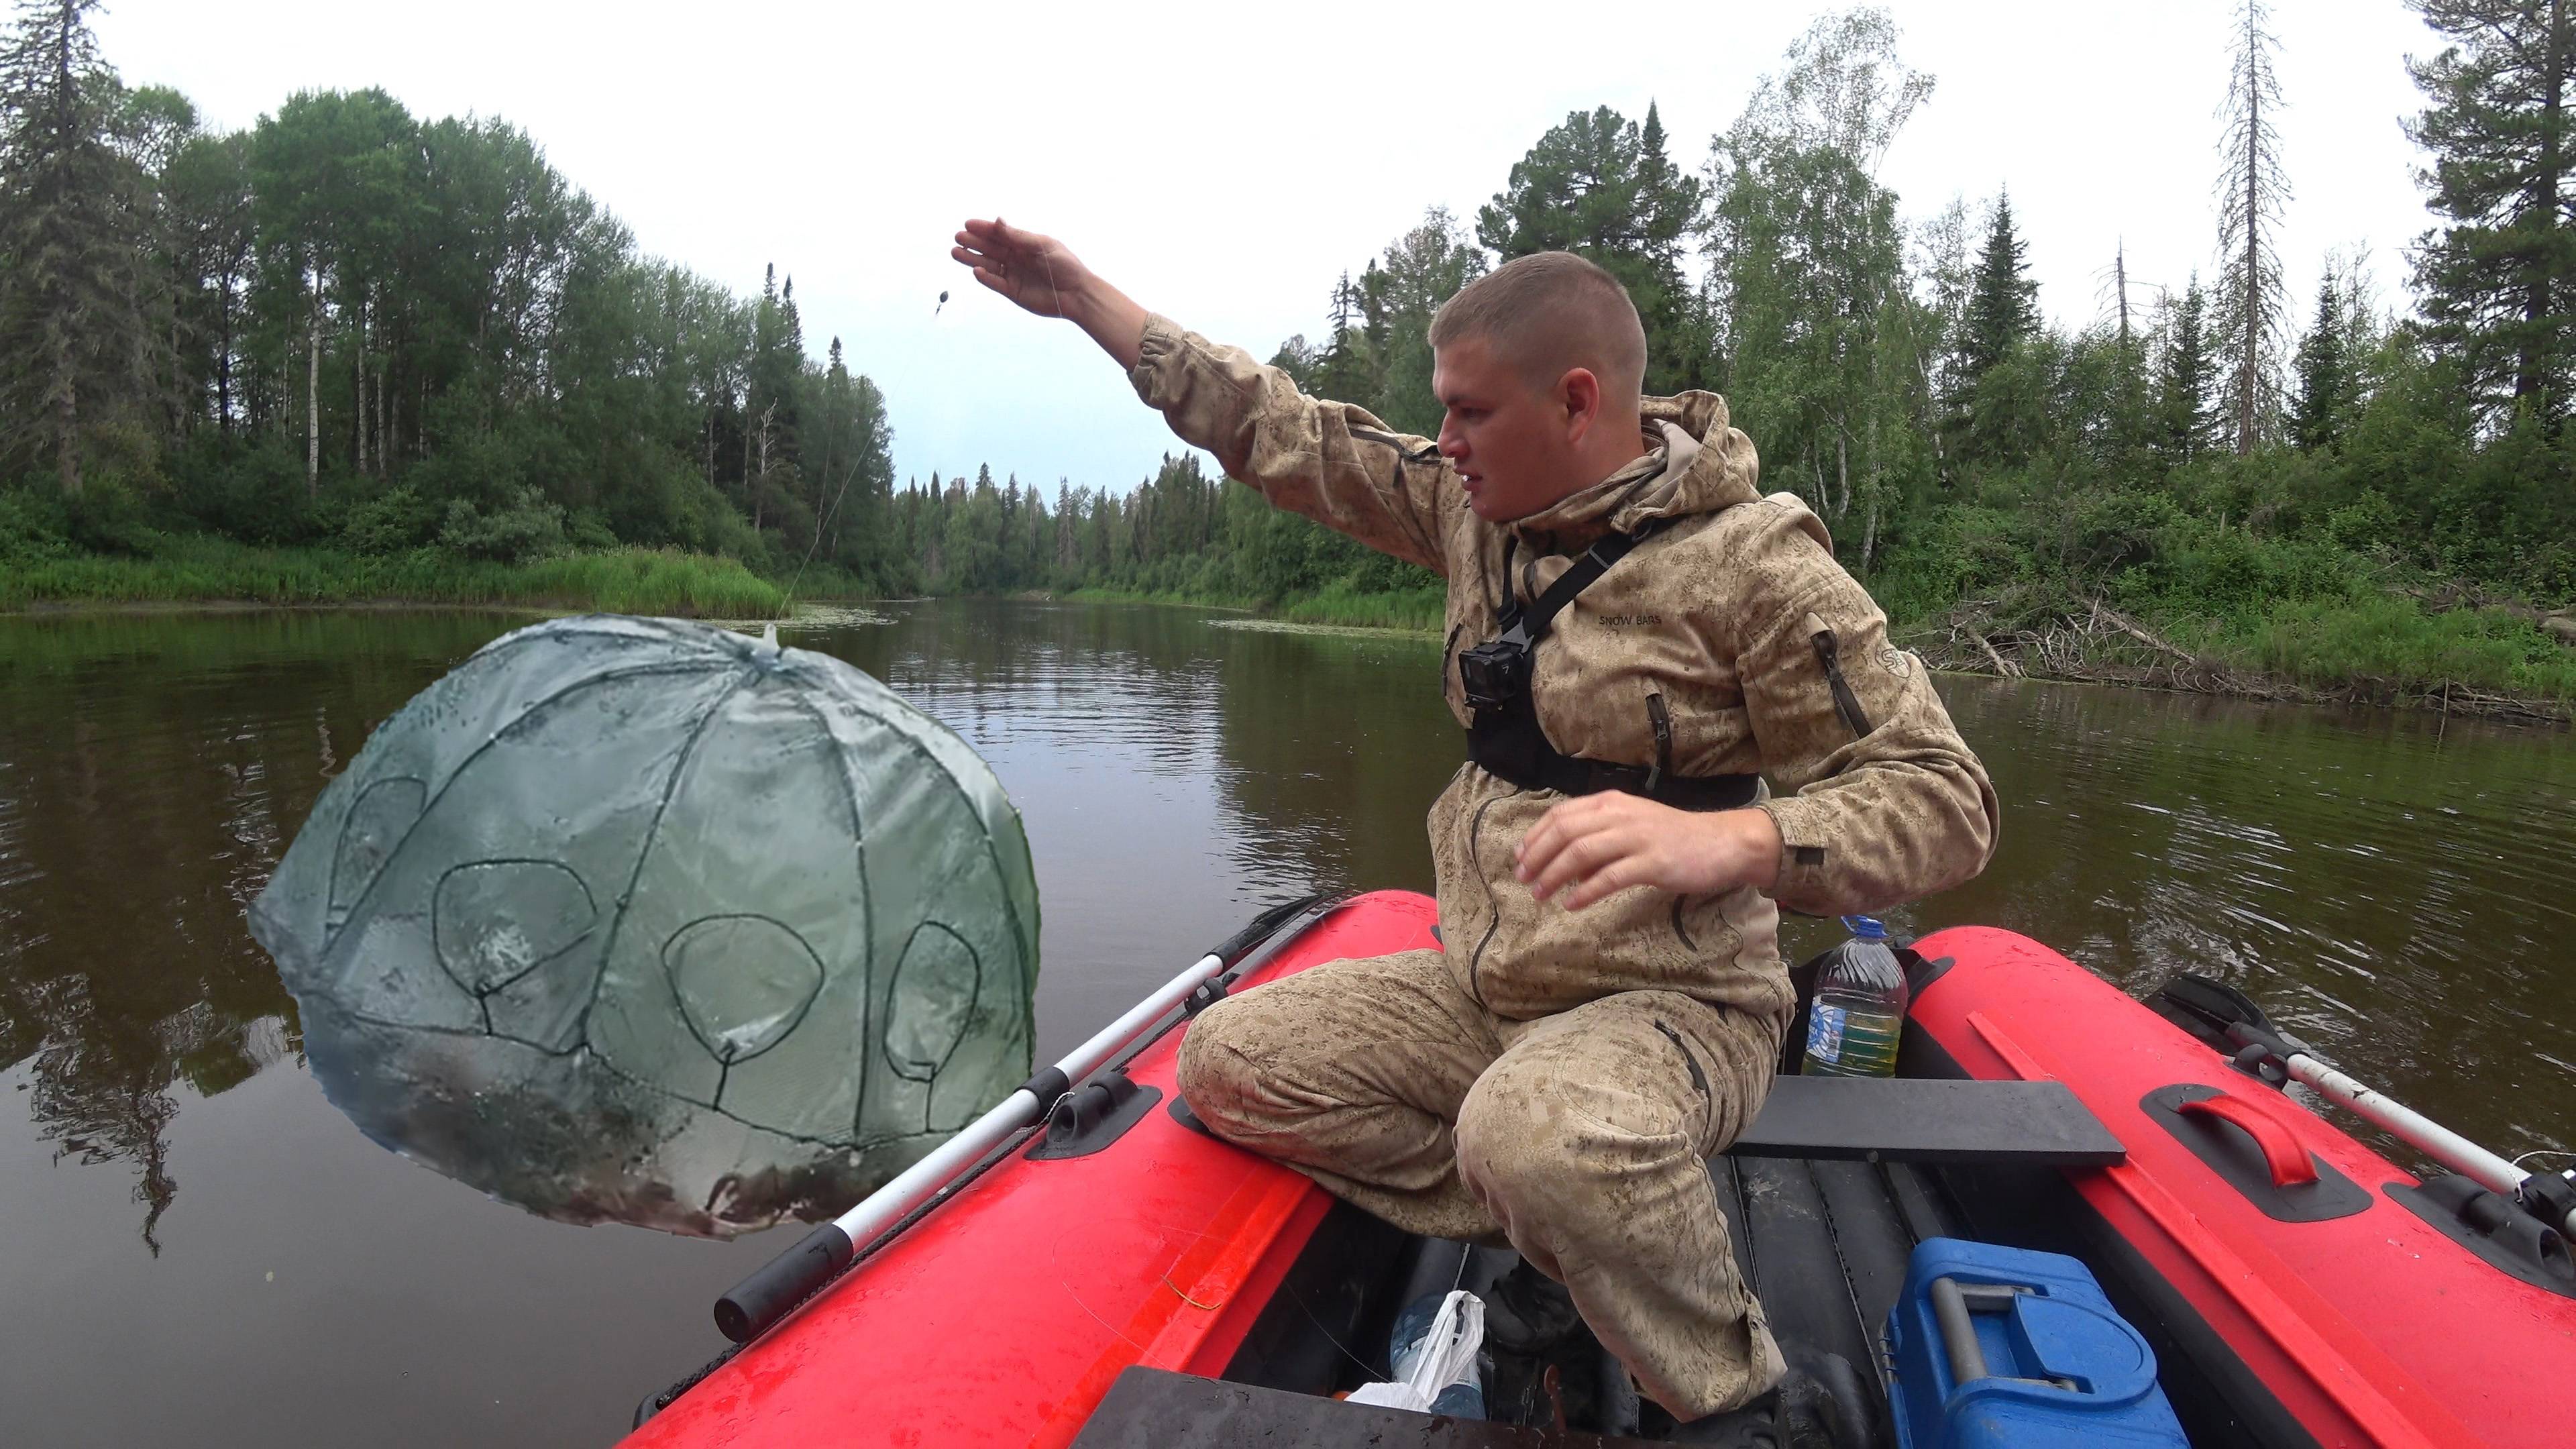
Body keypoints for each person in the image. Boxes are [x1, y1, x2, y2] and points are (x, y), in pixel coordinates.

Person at [951, 218, 1999, 1442]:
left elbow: (1947, 798)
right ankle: (1571, 1222)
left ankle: (1743, 1396)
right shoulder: (1474, 510)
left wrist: (1738, 845)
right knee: (1229, 1065)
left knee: (1534, 1132)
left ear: (1576, 400)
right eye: (1439, 417)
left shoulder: (1754, 564)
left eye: (1469, 413)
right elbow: (1285, 431)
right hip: (1486, 988)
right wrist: (1088, 301)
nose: (1441, 443)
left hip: (1679, 1004)